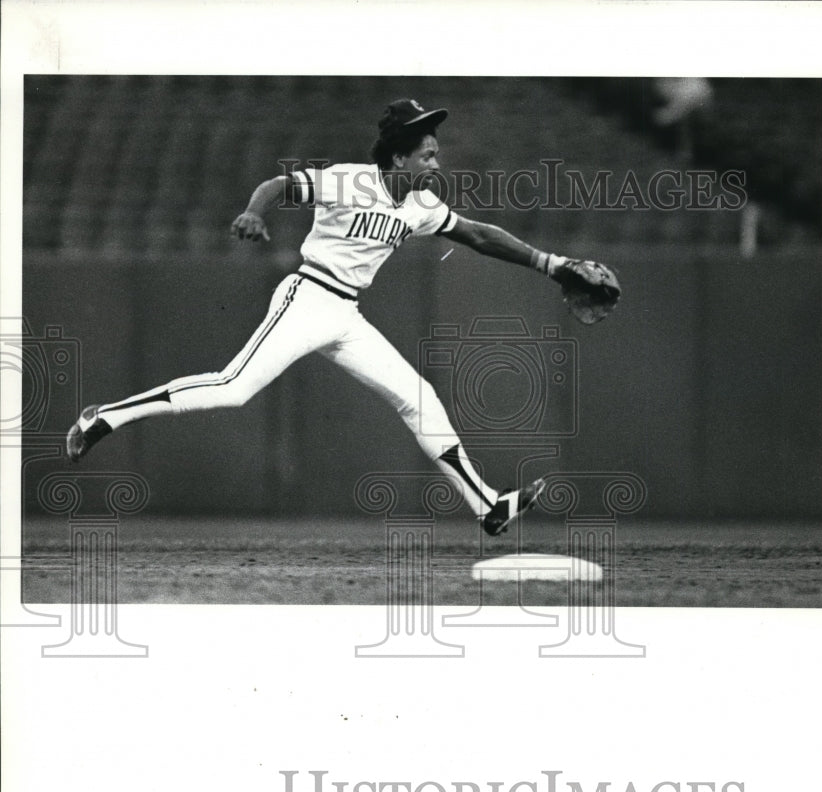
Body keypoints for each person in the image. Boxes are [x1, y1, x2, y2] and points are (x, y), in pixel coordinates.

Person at [66, 98, 585, 535]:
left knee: (418, 397)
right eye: (426, 154)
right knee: (232, 387)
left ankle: (487, 507)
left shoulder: (421, 205)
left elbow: (476, 234)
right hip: (308, 296)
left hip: (346, 315)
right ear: (398, 157)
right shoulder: (350, 181)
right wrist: (253, 211)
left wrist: (551, 263)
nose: (435, 161)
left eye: (436, 152)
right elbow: (278, 186)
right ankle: (106, 416)